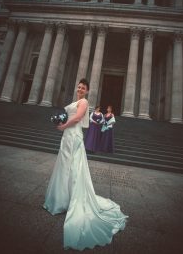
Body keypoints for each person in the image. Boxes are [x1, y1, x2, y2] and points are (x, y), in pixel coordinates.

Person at [43, 78, 128, 251]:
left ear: (87, 91)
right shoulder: (75, 101)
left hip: (73, 136)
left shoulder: (84, 101)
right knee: (64, 168)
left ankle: (68, 199)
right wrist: (60, 123)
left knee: (73, 168)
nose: (80, 89)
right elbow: (70, 115)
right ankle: (62, 199)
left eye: (83, 88)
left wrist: (63, 125)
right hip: (67, 136)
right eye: (79, 87)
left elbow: (79, 117)